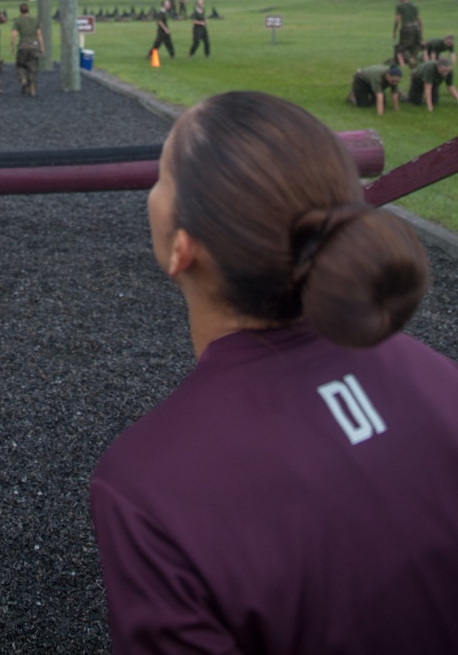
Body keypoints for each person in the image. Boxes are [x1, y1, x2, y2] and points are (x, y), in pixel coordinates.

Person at [90, 90, 457, 655]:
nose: (152, 191)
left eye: (162, 176)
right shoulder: (438, 378)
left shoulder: (148, 485)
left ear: (181, 250)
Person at [11, 0, 44, 95]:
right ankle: (32, 88)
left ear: (20, 11)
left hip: (22, 46)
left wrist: (12, 46)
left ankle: (23, 79)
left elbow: (13, 34)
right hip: (34, 46)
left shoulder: (18, 21)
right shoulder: (34, 21)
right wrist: (42, 47)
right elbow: (39, 35)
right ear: (28, 10)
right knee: (32, 67)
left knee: (20, 65)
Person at [392, 0, 423, 66]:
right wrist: (420, 30)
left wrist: (394, 31)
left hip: (407, 28)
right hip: (416, 27)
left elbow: (397, 19)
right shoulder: (414, 6)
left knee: (402, 47)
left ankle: (408, 60)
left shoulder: (400, 6)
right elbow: (419, 20)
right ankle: (414, 60)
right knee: (415, 46)